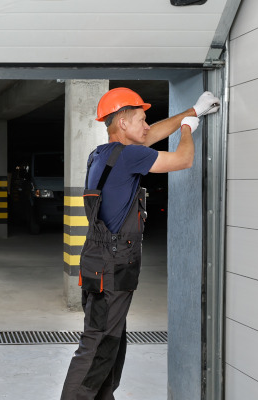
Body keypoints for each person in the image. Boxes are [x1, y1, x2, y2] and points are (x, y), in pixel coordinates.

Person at [60, 88, 220, 400]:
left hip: (99, 263)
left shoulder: (104, 155)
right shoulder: (130, 156)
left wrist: (193, 111)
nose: (147, 126)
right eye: (141, 119)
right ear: (122, 123)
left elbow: (148, 137)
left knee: (110, 344)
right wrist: (188, 127)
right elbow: (183, 159)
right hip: (112, 267)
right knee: (98, 345)